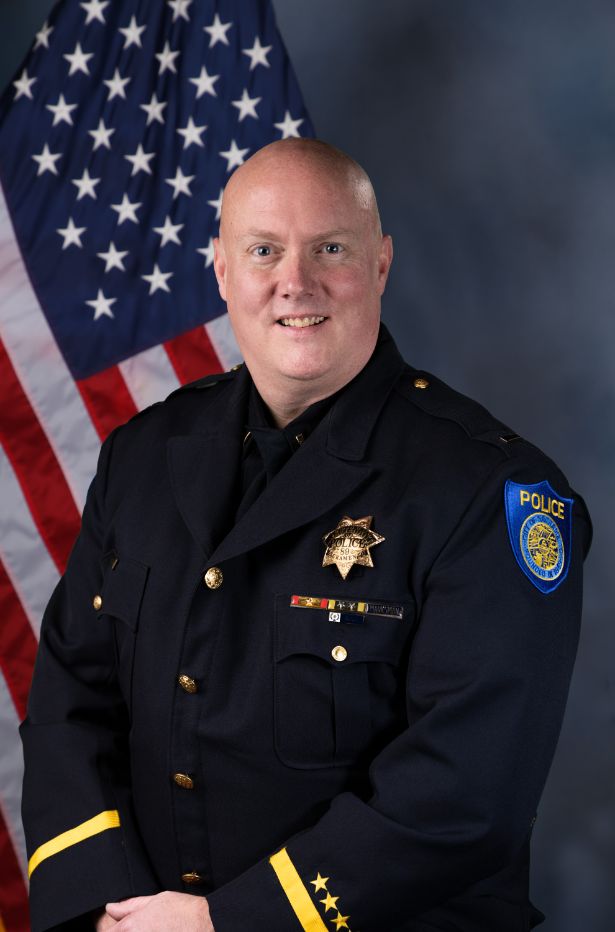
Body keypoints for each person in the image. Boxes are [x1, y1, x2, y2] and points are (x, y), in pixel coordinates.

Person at [21, 138, 591, 932]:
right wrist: (103, 907)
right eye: (264, 251)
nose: (295, 282)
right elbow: (70, 702)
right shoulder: (142, 457)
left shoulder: (486, 492)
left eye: (330, 249)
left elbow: (464, 793)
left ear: (380, 264)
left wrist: (225, 922)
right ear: (222, 270)